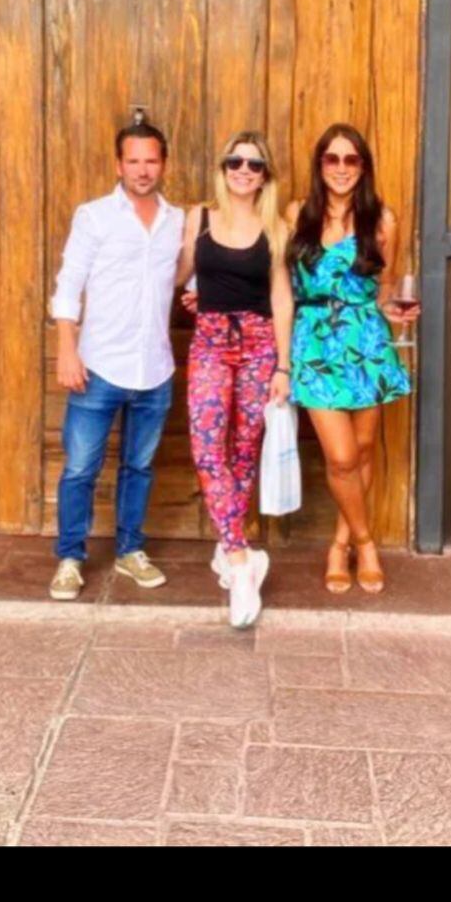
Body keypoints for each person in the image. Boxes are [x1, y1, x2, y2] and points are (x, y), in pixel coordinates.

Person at [48, 118, 184, 601]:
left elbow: (186, 278)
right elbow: (68, 285)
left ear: (163, 163)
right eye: (134, 160)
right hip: (99, 365)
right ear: (118, 164)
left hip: (155, 368)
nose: (143, 170)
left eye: (151, 160)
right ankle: (69, 558)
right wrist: (67, 348)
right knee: (81, 467)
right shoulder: (94, 216)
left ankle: (130, 550)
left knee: (139, 467)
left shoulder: (178, 221)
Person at [286, 124, 418, 595]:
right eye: (332, 159)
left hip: (366, 343)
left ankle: (339, 543)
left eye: (351, 160)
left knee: (362, 452)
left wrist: (398, 310)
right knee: (341, 455)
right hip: (315, 343)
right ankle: (366, 542)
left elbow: (383, 291)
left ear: (363, 167)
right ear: (319, 165)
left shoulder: (382, 219)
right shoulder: (295, 215)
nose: (341, 168)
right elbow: (281, 288)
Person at [178, 132, 292, 628]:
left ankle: (233, 548)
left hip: (259, 343)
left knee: (244, 449)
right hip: (209, 341)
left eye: (255, 164)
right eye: (235, 161)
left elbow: (282, 298)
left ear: (266, 175)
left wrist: (283, 367)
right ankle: (242, 561)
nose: (244, 170)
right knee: (207, 446)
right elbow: (181, 272)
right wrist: (188, 292)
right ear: (222, 168)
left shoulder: (276, 227)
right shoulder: (198, 218)